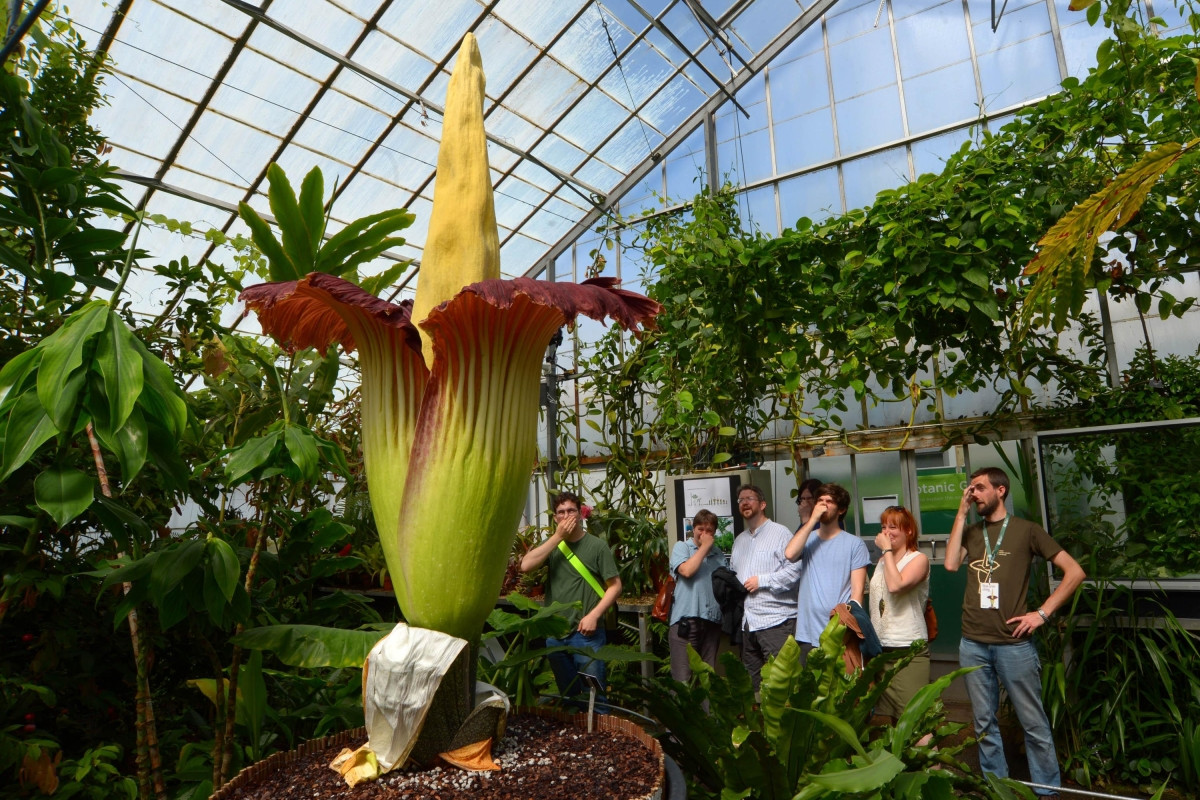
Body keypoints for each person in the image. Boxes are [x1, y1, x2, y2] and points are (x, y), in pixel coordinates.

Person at [945, 467, 1085, 796]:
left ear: (1001, 490)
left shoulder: (1027, 531)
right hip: (972, 643)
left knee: (1033, 724)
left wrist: (1042, 613)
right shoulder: (973, 532)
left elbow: (1075, 572)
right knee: (983, 723)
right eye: (970, 490)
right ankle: (998, 788)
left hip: (1013, 645)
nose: (973, 493)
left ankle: (1045, 792)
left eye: (979, 488)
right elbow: (951, 564)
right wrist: (961, 513)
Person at [520, 490, 622, 710]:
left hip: (586, 634)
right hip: (556, 635)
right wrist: (557, 537)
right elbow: (526, 566)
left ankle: (598, 740)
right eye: (561, 512)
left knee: (594, 698)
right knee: (568, 697)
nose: (566, 516)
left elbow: (615, 586)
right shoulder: (553, 545)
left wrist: (594, 615)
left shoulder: (597, 546)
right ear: (555, 517)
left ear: (580, 514)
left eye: (571, 511)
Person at [728, 484, 802, 689]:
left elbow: (795, 571)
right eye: (740, 500)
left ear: (762, 504)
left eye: (749, 498)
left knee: (781, 684)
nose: (744, 503)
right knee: (753, 686)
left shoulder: (781, 533)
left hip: (776, 621)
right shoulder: (739, 541)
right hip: (749, 623)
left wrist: (762, 581)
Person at [786, 483, 871, 660]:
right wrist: (812, 520)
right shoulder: (807, 539)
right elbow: (790, 554)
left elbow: (857, 595)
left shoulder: (854, 544)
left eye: (829, 501)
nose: (823, 505)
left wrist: (847, 627)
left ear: (841, 510)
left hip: (838, 634)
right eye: (820, 501)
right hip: (807, 633)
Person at [868, 505, 930, 722]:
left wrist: (885, 551)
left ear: (909, 531)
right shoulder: (883, 561)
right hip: (882, 648)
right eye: (884, 527)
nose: (886, 532)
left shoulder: (918, 559)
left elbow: (896, 586)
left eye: (893, 527)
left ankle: (934, 757)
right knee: (896, 721)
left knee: (914, 722)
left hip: (907, 648)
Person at [668, 509, 724, 682]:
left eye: (709, 531)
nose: (704, 534)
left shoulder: (719, 555)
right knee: (683, 679)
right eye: (701, 529)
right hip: (685, 623)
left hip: (711, 623)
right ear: (693, 528)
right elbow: (687, 571)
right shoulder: (682, 547)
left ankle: (707, 711)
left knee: (707, 679)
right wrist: (705, 547)